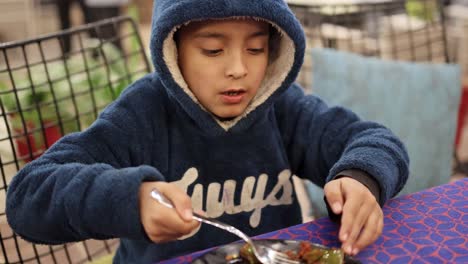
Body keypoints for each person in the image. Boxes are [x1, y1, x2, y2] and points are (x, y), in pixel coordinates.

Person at [6, 0, 409, 263]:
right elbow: (28, 195)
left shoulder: (282, 107)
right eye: (213, 50)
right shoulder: (142, 112)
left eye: (256, 48)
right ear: (172, 48)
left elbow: (377, 142)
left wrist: (362, 178)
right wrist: (129, 198)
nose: (238, 68)